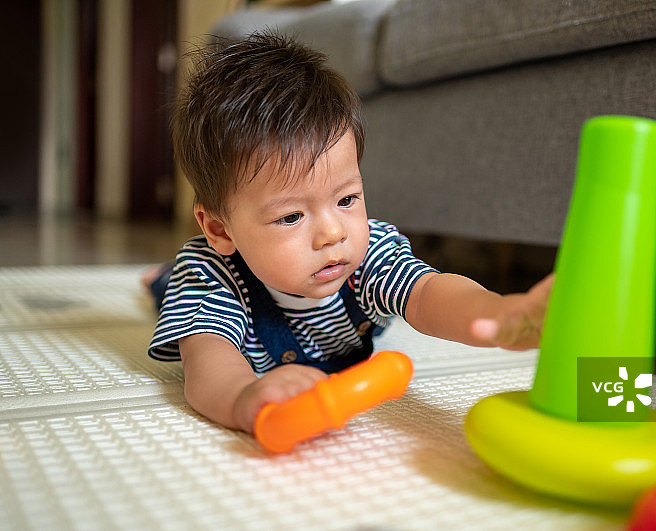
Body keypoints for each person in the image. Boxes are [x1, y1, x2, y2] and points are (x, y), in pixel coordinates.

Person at [148, 31, 553, 435]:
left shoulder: (367, 254)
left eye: (346, 200)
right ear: (220, 229)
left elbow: (429, 295)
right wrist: (242, 399)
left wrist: (497, 316)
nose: (332, 233)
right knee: (172, 288)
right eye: (291, 217)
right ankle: (159, 279)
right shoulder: (211, 273)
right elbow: (207, 360)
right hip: (213, 280)